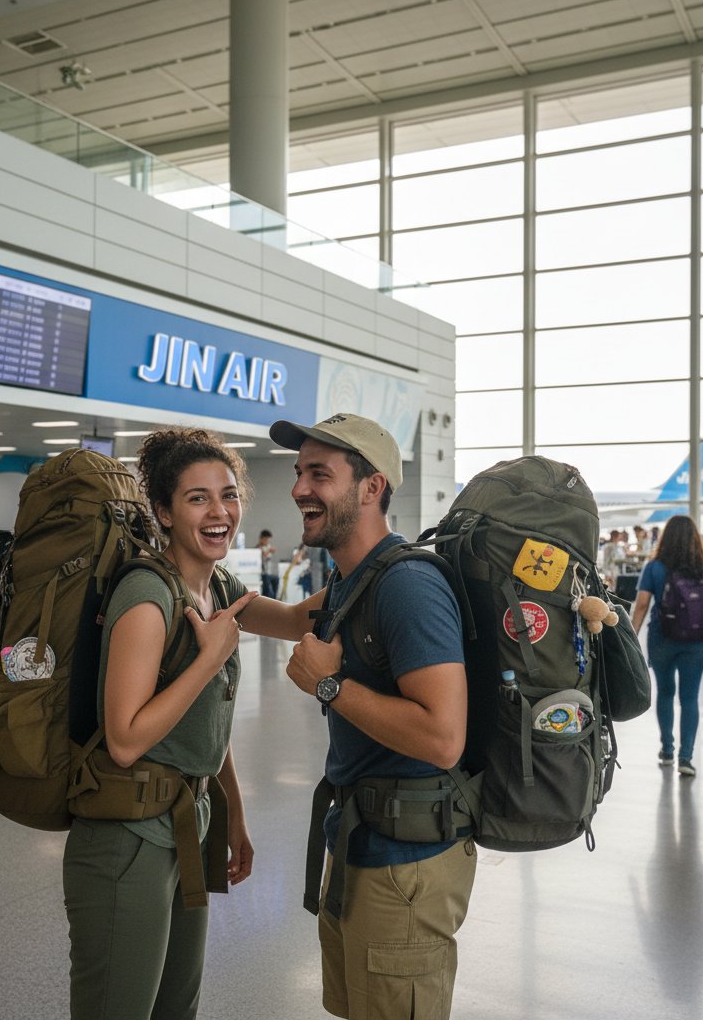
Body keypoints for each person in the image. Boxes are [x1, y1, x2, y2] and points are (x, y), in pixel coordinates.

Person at [246, 412, 475, 1020]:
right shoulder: (356, 578)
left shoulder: (407, 586)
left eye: (319, 474)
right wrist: (194, 573)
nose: (299, 488)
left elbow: (444, 737)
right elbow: (289, 619)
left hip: (405, 867)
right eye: (299, 472)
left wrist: (329, 686)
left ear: (372, 487)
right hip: (358, 842)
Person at [62, 427, 260, 1020]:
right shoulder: (148, 596)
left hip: (188, 825)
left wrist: (234, 815)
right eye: (198, 498)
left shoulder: (218, 587)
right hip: (127, 839)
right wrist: (208, 659)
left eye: (228, 494)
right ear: (164, 513)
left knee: (178, 1007)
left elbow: (301, 620)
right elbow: (125, 739)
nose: (219, 511)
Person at [631, 514, 703, 778]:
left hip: (662, 637)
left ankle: (667, 750)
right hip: (697, 641)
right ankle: (686, 757)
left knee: (665, 693)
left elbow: (642, 604)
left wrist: (632, 636)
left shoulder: (654, 567)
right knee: (690, 697)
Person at [257, 528, 279, 597]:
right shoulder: (258, 548)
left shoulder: (267, 547)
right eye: (266, 540)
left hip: (268, 572)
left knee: (276, 579)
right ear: (261, 539)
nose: (267, 541)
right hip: (263, 573)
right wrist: (269, 551)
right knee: (267, 591)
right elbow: (263, 555)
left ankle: (274, 599)